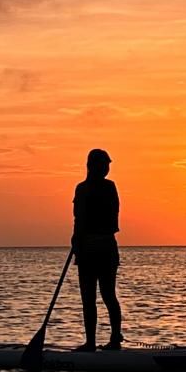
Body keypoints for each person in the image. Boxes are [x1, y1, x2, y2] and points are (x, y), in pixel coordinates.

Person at [71, 149, 124, 351]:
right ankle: (91, 342)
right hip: (89, 248)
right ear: (91, 166)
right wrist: (77, 240)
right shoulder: (82, 189)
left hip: (103, 247)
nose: (106, 169)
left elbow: (109, 216)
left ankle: (115, 339)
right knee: (89, 298)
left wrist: (79, 237)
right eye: (103, 165)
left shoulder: (108, 187)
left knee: (107, 294)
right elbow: (78, 218)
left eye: (107, 165)